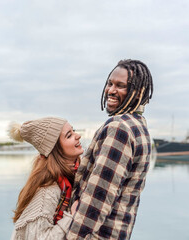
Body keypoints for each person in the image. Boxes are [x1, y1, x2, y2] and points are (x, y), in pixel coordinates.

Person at [67, 59, 154, 240]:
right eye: (110, 83)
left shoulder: (119, 128)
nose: (111, 91)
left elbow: (98, 199)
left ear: (138, 93)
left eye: (120, 86)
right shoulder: (140, 127)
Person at [9, 117, 84, 240]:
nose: (78, 136)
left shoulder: (72, 177)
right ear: (56, 149)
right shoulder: (48, 190)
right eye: (69, 136)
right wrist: (71, 216)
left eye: (73, 130)